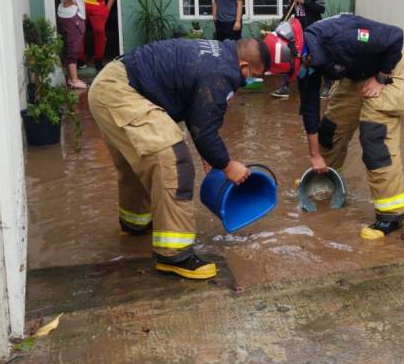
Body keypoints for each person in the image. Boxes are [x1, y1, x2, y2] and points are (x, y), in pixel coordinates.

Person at [88, 37, 271, 279]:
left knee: (143, 158)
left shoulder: (218, 55)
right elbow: (204, 130)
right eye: (252, 76)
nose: (248, 81)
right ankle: (175, 255)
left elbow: (199, 117)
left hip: (109, 86)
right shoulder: (223, 72)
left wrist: (212, 155)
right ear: (244, 66)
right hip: (121, 92)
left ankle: (135, 225)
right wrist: (227, 166)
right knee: (174, 159)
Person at [265, 14, 404, 240]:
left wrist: (381, 78)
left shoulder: (343, 35)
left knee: (375, 139)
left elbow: (395, 36)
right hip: (355, 73)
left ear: (302, 53)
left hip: (386, 68)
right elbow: (310, 109)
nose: (300, 71)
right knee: (330, 129)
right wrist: (315, 156)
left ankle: (392, 216)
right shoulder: (306, 59)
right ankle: (326, 177)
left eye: (299, 66)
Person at [271, 0, 326, 99]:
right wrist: (282, 22)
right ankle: (284, 87)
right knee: (289, 55)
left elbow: (321, 9)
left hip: (313, 28)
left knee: (317, 56)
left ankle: (328, 86)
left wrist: (304, 1)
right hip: (297, 28)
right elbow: (291, 8)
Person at [50, 0, 87, 90]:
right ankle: (74, 80)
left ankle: (72, 78)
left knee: (69, 46)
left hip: (65, 15)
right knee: (74, 47)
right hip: (73, 16)